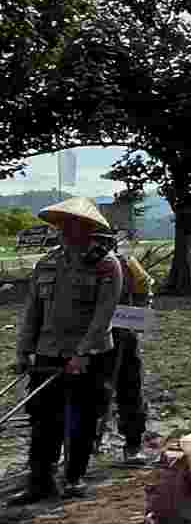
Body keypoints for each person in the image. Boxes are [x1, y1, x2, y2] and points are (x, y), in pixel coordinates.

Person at [9, 197, 123, 504]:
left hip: (90, 354)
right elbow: (32, 310)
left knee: (83, 418)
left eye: (73, 224)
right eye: (62, 224)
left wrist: (82, 353)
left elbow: (103, 315)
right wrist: (22, 351)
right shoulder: (46, 263)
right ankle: (40, 481)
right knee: (43, 418)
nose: (65, 230)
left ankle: (73, 477)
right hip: (48, 351)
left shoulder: (106, 264)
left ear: (88, 228)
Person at [100, 228, 153, 465]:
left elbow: (144, 290)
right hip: (84, 339)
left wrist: (132, 321)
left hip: (122, 336)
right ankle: (91, 440)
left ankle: (132, 443)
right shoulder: (70, 264)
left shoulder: (126, 263)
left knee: (129, 388)